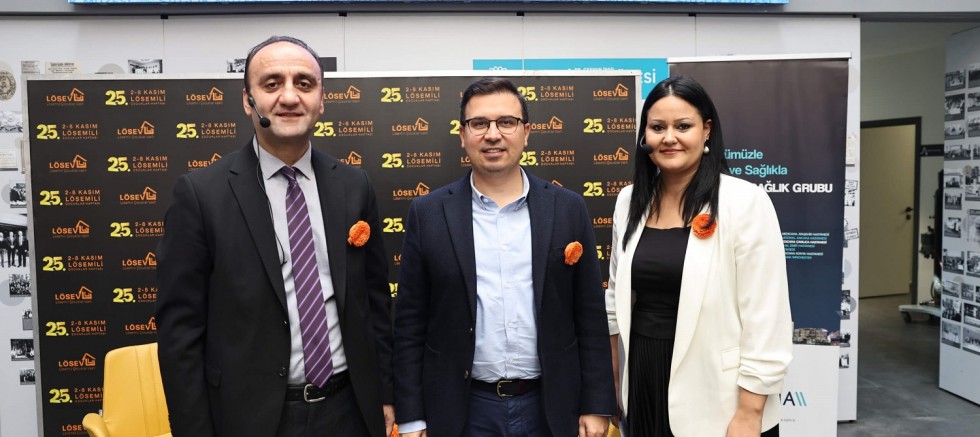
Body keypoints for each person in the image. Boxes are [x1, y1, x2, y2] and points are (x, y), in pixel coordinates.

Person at [156, 35, 394, 437]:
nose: (289, 97)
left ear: (321, 100)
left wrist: (386, 395)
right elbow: (180, 334)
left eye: (304, 83)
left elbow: (375, 304)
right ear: (248, 100)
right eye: (272, 84)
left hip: (349, 410)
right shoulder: (201, 195)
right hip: (251, 417)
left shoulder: (355, 186)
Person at [394, 77, 616, 437]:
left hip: (551, 406)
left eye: (506, 122)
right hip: (461, 410)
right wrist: (412, 417)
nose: (493, 134)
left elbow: (590, 315)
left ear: (526, 133)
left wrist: (596, 404)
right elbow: (409, 322)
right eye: (479, 123)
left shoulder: (567, 208)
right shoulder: (428, 212)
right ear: (462, 135)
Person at [605, 76, 792, 437]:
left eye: (683, 126)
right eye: (657, 127)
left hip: (719, 397)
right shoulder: (629, 201)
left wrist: (750, 411)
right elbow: (615, 303)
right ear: (644, 136)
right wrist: (612, 380)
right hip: (643, 377)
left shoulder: (743, 201)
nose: (669, 138)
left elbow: (767, 316)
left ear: (706, 130)